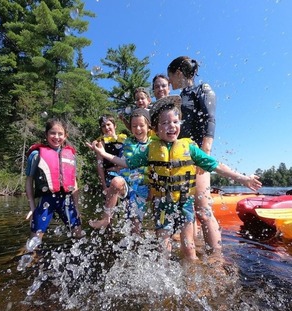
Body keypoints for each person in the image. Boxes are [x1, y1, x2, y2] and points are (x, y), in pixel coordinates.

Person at [90, 97, 262, 263]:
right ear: (156, 129)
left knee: (189, 247)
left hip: (185, 203)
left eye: (174, 122)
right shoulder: (151, 149)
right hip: (162, 203)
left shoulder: (189, 148)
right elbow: (126, 162)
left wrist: (243, 179)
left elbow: (215, 165)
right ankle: (163, 280)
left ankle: (193, 275)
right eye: (165, 123)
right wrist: (104, 154)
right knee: (163, 248)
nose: (171, 126)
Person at [167, 56, 221, 254]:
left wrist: (205, 153)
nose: (169, 80)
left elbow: (210, 119)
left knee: (203, 211)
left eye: (170, 75)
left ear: (179, 73)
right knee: (189, 209)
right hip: (182, 158)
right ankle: (196, 250)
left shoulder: (202, 89)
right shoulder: (180, 97)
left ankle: (216, 258)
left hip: (197, 156)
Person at [87, 108, 151, 235]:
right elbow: (119, 162)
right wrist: (101, 152)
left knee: (135, 229)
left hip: (141, 186)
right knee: (115, 184)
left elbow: (128, 162)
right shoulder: (108, 142)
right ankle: (106, 221)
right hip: (122, 181)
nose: (138, 129)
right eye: (103, 126)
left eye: (109, 124)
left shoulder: (131, 141)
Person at [25, 118, 83, 251]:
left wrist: (77, 207)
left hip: (66, 200)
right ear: (46, 135)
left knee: (79, 236)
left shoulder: (70, 156)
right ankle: (28, 259)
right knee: (34, 242)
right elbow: (29, 181)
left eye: (60, 134)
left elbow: (74, 182)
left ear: (65, 135)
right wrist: (32, 208)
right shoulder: (35, 155)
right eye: (52, 133)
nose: (56, 137)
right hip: (46, 200)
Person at [96, 114, 127, 194]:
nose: (106, 128)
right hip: (110, 176)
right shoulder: (101, 143)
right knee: (111, 205)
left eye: (108, 124)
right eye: (103, 126)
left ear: (115, 125)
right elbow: (100, 166)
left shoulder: (124, 140)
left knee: (129, 204)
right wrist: (104, 186)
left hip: (126, 175)